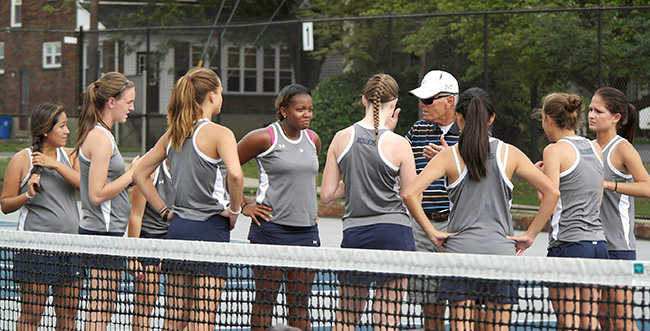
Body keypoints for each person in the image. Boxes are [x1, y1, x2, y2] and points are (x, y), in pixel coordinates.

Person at [402, 87, 559, 331]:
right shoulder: (511, 153)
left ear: (458, 117)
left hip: (459, 255)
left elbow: (409, 193)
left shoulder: (447, 156)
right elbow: (552, 193)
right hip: (501, 255)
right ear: (492, 118)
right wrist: (530, 235)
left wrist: (432, 233)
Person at [133, 67, 243, 330]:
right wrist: (235, 211)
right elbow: (236, 176)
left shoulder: (173, 133)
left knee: (174, 317)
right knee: (202, 318)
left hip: (178, 230)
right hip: (211, 229)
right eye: (221, 91)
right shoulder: (221, 133)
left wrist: (164, 212)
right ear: (212, 97)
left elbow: (138, 174)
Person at [321, 73, 416, 331]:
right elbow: (410, 194)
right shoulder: (399, 144)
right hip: (394, 234)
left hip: (356, 233)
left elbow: (327, 194)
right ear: (394, 104)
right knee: (386, 319)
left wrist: (357, 181)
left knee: (345, 317)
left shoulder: (341, 138)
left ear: (364, 100)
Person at [236, 84, 321, 331]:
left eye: (310, 109)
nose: (307, 114)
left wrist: (309, 205)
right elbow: (225, 166)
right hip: (270, 231)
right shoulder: (263, 137)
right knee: (265, 301)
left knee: (300, 304)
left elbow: (308, 175)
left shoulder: (313, 139)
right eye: (300, 109)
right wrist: (243, 206)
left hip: (307, 233)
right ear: (284, 111)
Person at [1, 104, 82, 331]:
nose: (67, 131)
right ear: (46, 130)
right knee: (32, 315)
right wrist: (27, 194)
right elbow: (5, 204)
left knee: (69, 315)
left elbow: (85, 188)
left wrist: (54, 164)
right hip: (35, 250)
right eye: (63, 126)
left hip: (71, 247)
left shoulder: (71, 156)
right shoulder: (22, 159)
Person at [74, 72, 140, 330]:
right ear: (111, 101)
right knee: (101, 309)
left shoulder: (102, 134)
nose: (132, 108)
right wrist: (131, 174)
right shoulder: (100, 138)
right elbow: (96, 194)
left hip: (106, 232)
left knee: (103, 307)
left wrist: (129, 179)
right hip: (102, 234)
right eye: (129, 101)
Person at [537, 92, 606, 330]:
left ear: (548, 119)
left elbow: (550, 198)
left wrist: (539, 181)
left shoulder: (553, 151)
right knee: (590, 322)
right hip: (598, 245)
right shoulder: (595, 147)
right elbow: (597, 199)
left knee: (569, 322)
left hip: (568, 244)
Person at [589, 87, 650, 331]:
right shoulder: (586, 147)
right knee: (601, 318)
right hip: (593, 243)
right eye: (590, 109)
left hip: (618, 246)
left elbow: (647, 187)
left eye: (598, 111)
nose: (591, 114)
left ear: (616, 118)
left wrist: (609, 184)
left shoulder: (623, 148)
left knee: (622, 320)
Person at [404, 69, 461, 330]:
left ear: (449, 101)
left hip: (460, 226)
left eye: (428, 100)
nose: (421, 104)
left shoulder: (471, 131)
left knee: (463, 303)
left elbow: (488, 175)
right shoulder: (417, 129)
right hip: (422, 227)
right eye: (421, 99)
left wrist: (452, 159)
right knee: (430, 302)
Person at [127, 159, 173, 331]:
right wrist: (133, 257)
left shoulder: (189, 167)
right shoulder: (150, 169)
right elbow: (136, 216)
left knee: (178, 307)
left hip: (176, 239)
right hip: (149, 240)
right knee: (146, 301)